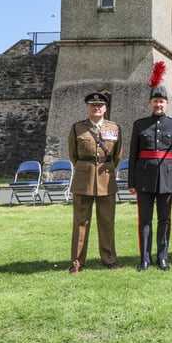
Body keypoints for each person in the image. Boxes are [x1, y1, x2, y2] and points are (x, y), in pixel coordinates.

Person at [128, 62, 172, 271]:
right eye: (155, 101)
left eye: (161, 101)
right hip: (143, 178)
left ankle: (162, 257)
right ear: (150, 103)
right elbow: (133, 154)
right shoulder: (139, 125)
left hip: (167, 179)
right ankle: (144, 258)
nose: (158, 105)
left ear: (167, 103)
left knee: (164, 220)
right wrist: (131, 182)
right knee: (145, 221)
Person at [68, 91, 123, 273]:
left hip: (106, 179)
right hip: (83, 179)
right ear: (87, 108)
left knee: (107, 222)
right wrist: (87, 168)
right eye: (93, 105)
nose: (96, 108)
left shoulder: (114, 128)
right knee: (81, 222)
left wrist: (106, 168)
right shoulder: (77, 128)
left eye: (100, 105)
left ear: (105, 108)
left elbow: (117, 155)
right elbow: (74, 155)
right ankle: (76, 262)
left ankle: (109, 259)